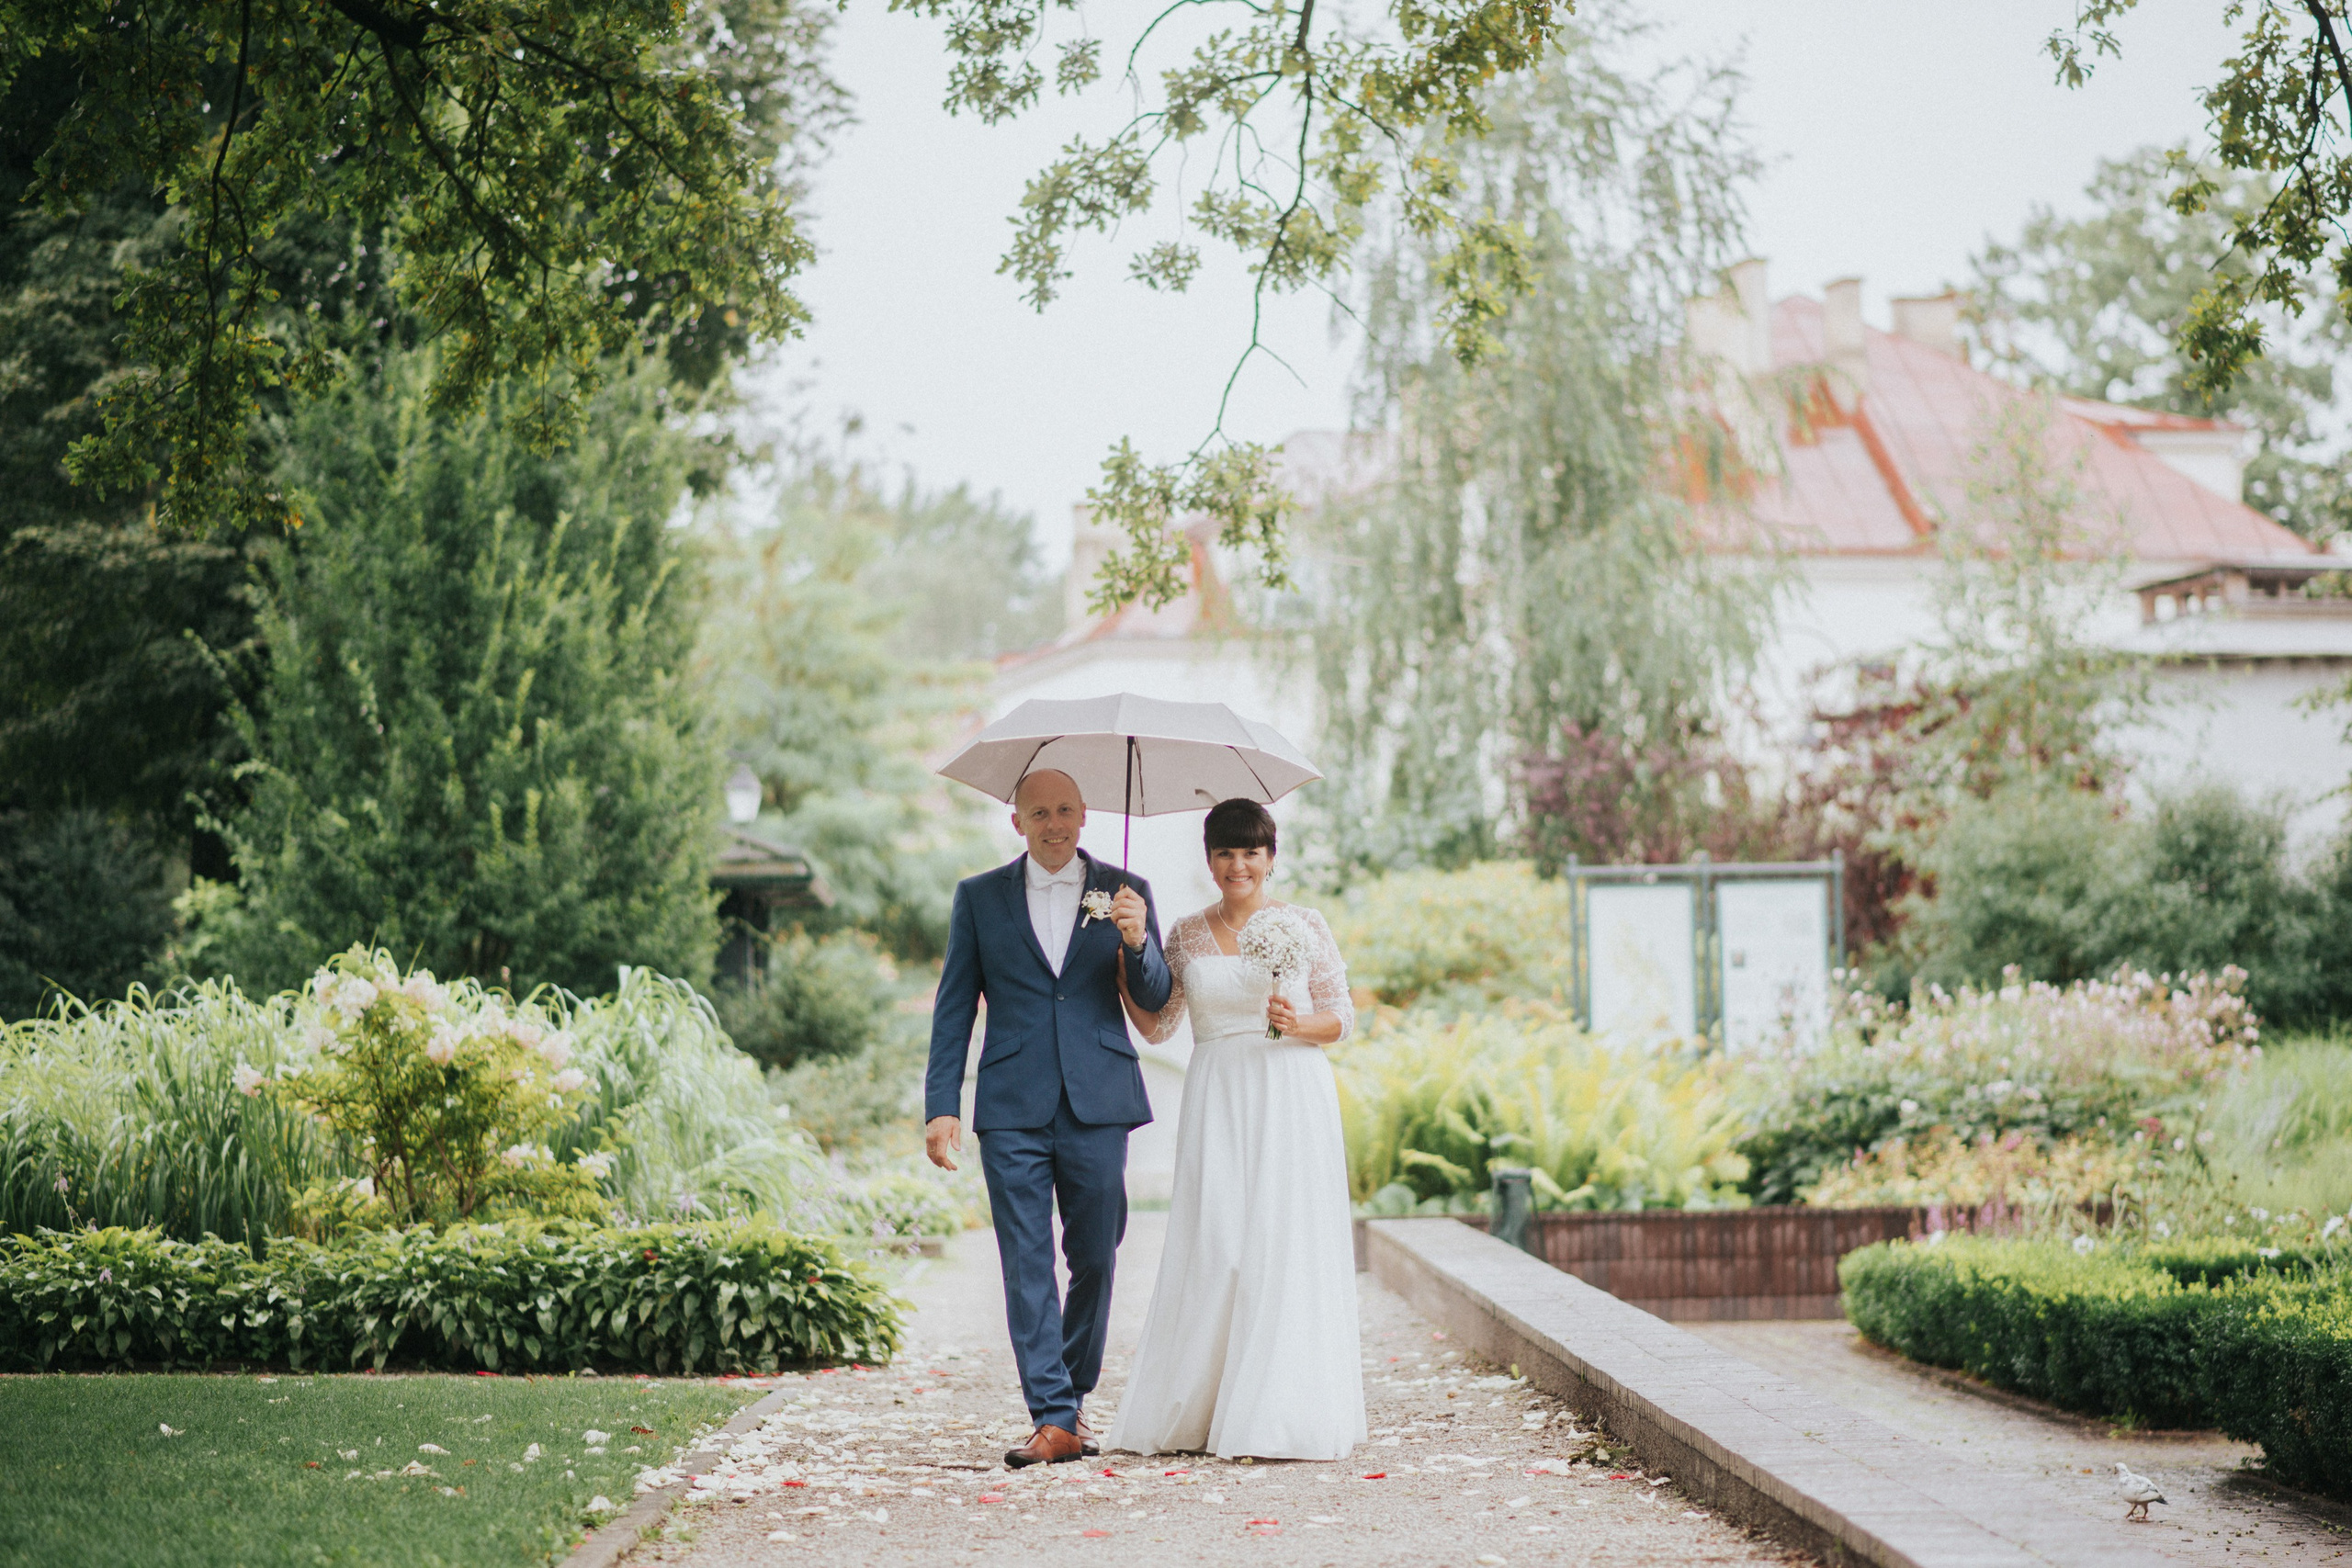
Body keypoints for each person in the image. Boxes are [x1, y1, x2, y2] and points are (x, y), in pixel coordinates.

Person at [922, 768, 1172, 1469]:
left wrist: (1136, 939)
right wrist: (942, 1103)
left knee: (1095, 1251)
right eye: (1041, 812)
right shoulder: (978, 898)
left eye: (1066, 808)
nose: (1055, 822)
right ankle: (1054, 1413)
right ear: (1018, 821)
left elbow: (1154, 995)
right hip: (1011, 1105)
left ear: (1085, 813)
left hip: (1099, 1097)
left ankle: (1073, 1388)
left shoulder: (1129, 891)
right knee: (1026, 1257)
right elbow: (954, 1004)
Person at [1103, 796, 1365, 1461]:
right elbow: (1161, 1024)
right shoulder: (1188, 933)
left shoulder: (1304, 924)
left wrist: (1295, 1021)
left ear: (1271, 857)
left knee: (1284, 1240)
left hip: (1290, 1091)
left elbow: (1342, 1016)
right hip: (1218, 1092)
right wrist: (1126, 962)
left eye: (1252, 851)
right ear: (1210, 859)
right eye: (1225, 851)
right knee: (1218, 1239)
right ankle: (1201, 1406)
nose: (1238, 864)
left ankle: (1280, 1410)